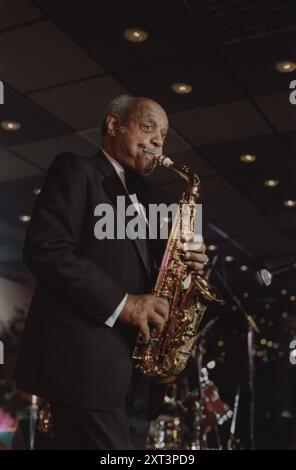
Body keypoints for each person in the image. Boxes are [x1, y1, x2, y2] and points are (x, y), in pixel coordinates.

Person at [16, 95, 208, 450]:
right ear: (113, 125)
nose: (156, 142)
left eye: (162, 137)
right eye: (147, 127)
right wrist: (125, 304)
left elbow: (162, 280)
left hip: (138, 376)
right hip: (85, 369)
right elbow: (46, 248)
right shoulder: (76, 169)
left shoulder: (153, 201)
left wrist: (189, 269)